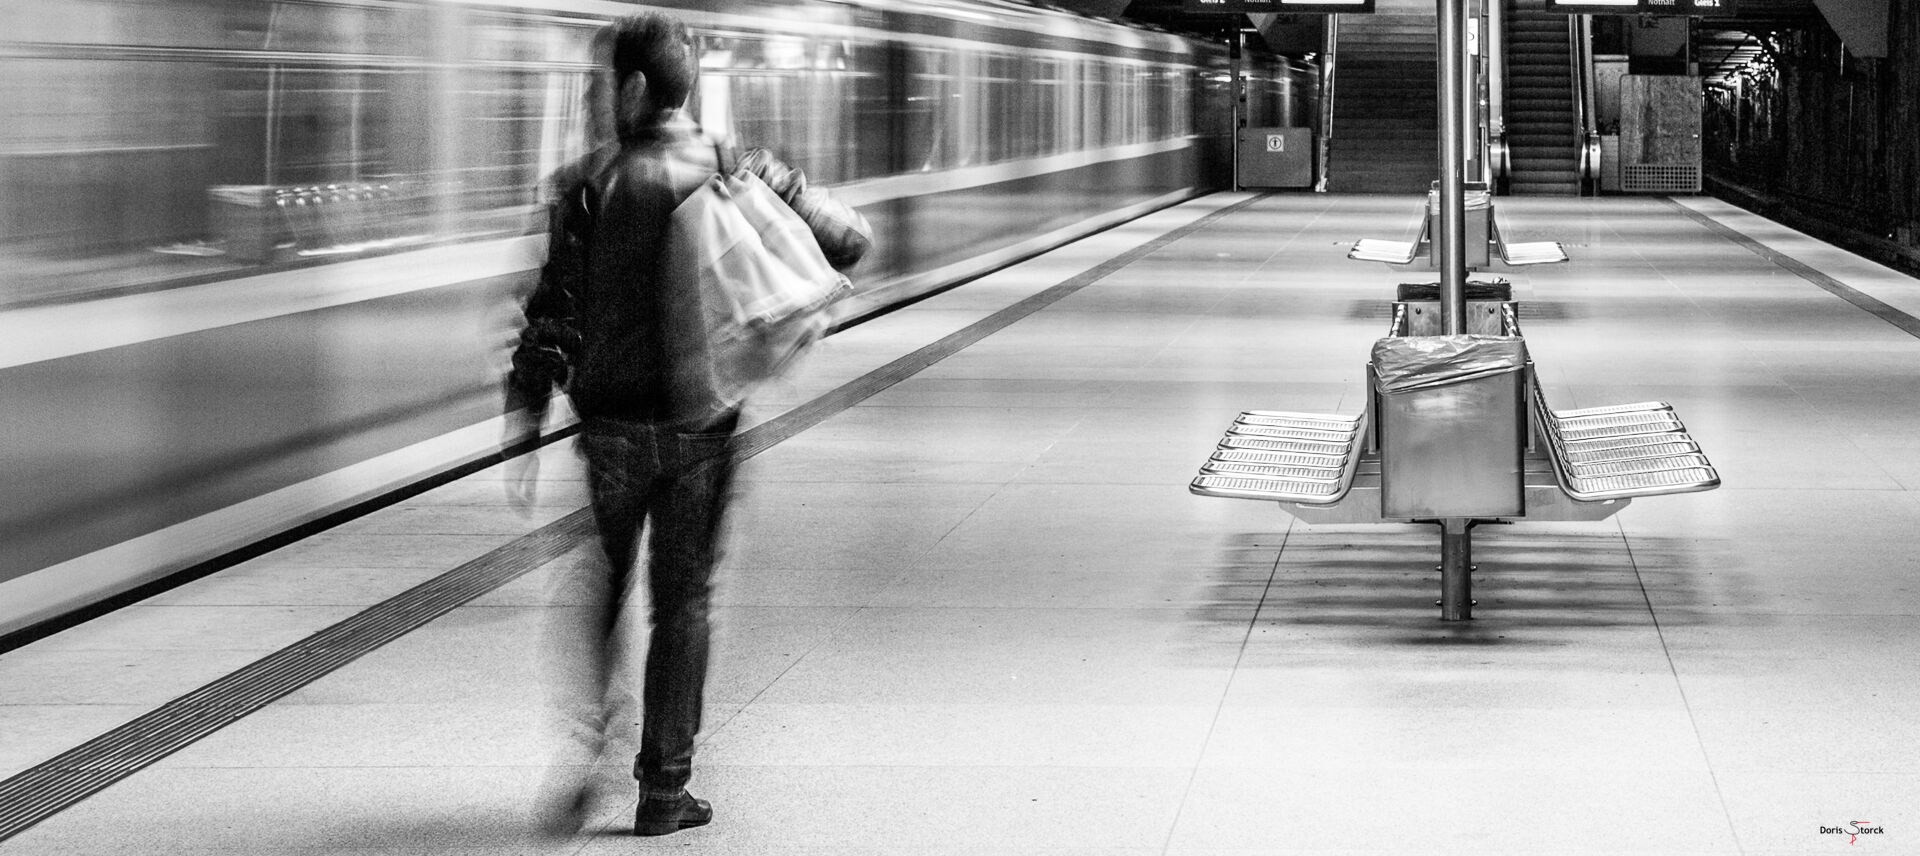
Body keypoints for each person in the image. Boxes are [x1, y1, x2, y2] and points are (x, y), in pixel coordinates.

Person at [501, 11, 870, 838]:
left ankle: (593, 747)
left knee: (602, 586)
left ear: (632, 87)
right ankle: (664, 790)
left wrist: (523, 415)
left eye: (606, 84)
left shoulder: (585, 184)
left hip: (609, 431)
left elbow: (550, 317)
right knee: (686, 600)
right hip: (704, 423)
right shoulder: (735, 167)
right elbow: (850, 240)